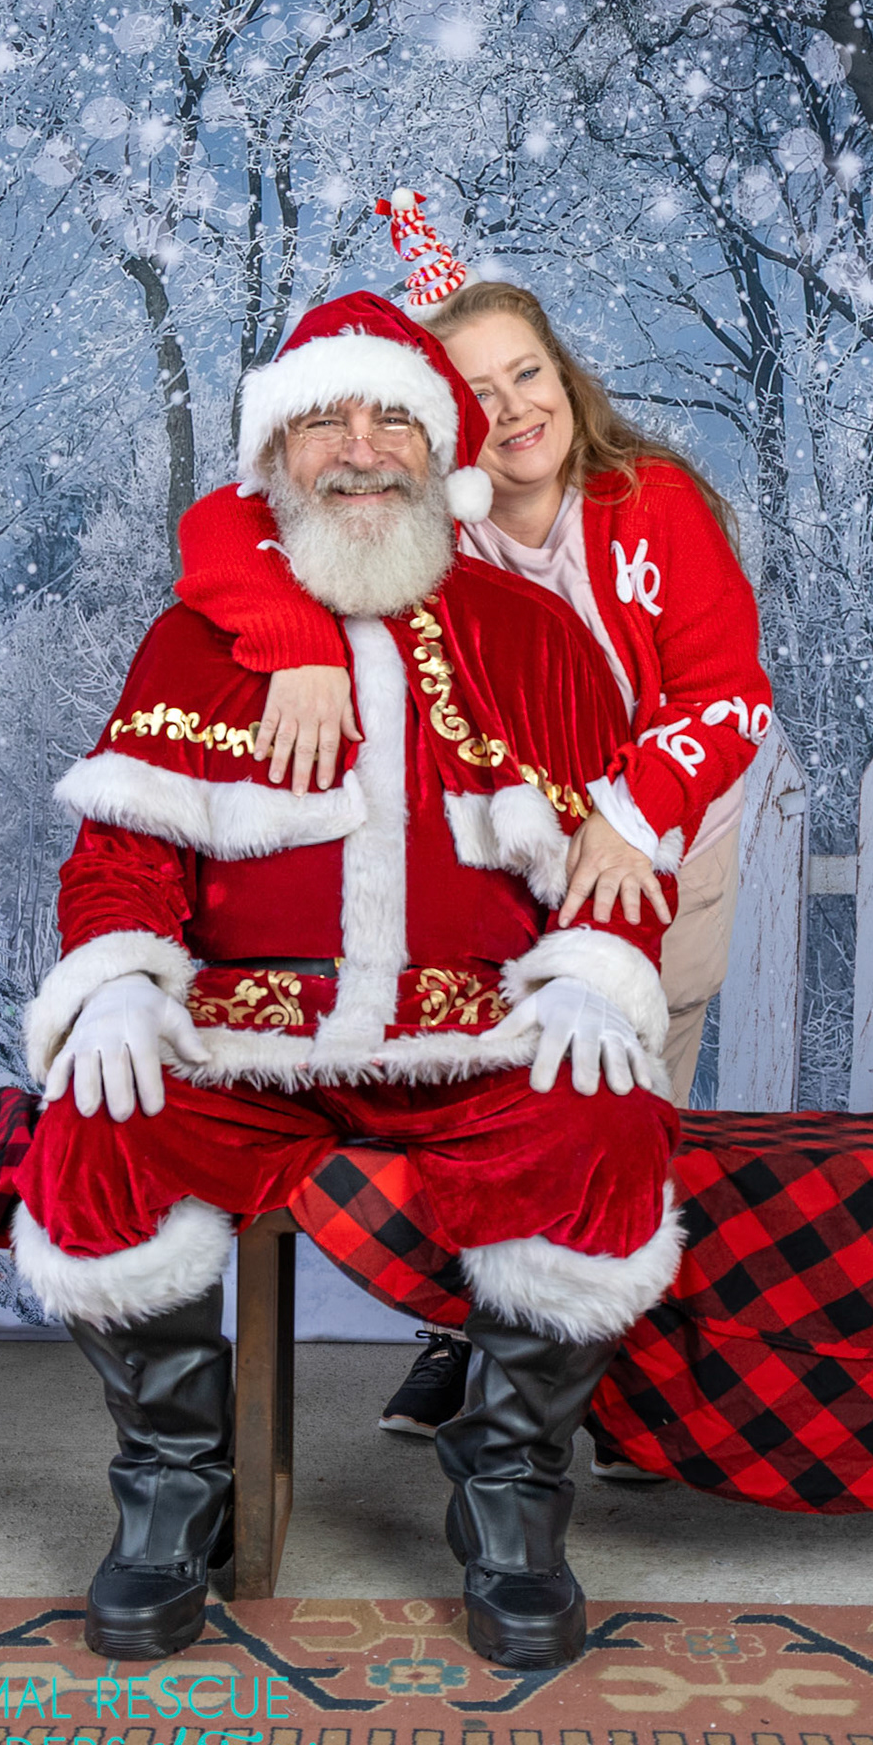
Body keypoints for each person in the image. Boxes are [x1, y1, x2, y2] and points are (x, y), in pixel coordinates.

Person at [13, 291, 683, 1669]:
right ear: (275, 455)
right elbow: (124, 858)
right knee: (99, 1123)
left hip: (476, 1037)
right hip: (248, 1038)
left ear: (442, 452)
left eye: (394, 420)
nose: (362, 449)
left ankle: (511, 1497)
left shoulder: (534, 640)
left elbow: (610, 865)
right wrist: (120, 983)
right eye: (325, 420)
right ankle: (173, 1492)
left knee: (606, 1126)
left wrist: (589, 975)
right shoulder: (198, 639)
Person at [173, 200, 772, 1442]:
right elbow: (227, 523)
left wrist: (630, 817)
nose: (514, 410)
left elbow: (727, 692)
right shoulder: (432, 515)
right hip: (510, 856)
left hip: (661, 844)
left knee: (626, 1098)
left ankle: (610, 1386)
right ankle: (463, 1334)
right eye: (478, 390)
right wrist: (296, 641)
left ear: (566, 378)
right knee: (485, 1093)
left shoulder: (651, 502)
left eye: (529, 373)